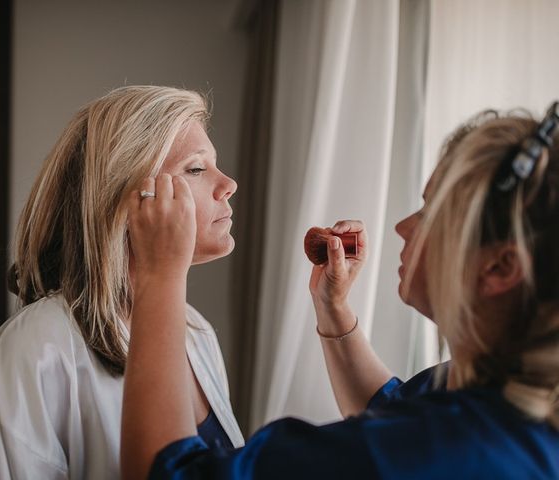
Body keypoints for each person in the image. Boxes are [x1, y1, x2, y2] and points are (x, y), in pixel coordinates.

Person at [121, 102, 559, 479]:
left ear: (500, 266)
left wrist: (160, 275)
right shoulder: (515, 393)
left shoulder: (450, 446)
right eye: (196, 168)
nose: (402, 227)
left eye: (432, 213)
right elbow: (389, 404)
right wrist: (332, 308)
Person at [0, 85, 243, 479]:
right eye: (195, 168)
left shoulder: (196, 332)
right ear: (123, 198)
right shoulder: (36, 350)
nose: (229, 184)